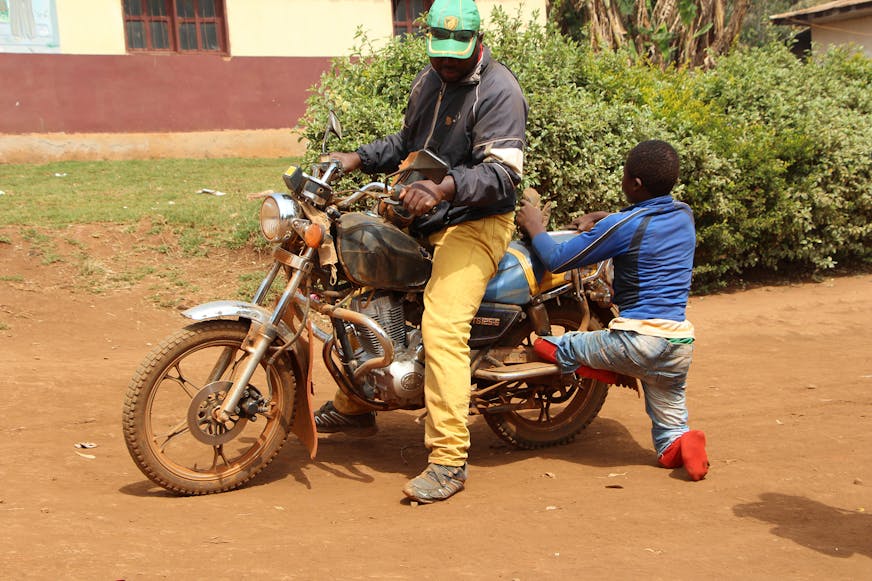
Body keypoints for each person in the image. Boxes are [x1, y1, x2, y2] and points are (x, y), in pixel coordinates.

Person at [315, 0, 529, 503]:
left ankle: (449, 459)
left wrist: (442, 188)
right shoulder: (428, 80)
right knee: (359, 290)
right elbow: (407, 144)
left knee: (442, 327)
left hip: (476, 222)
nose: (446, 63)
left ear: (478, 42)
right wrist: (354, 159)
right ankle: (355, 405)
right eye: (439, 54)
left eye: (456, 55)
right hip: (422, 214)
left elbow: (503, 176)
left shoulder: (500, 92)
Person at [515, 140, 709, 481]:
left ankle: (610, 369)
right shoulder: (683, 214)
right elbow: (640, 223)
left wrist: (535, 227)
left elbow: (559, 259)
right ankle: (684, 448)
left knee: (552, 347)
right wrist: (604, 218)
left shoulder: (625, 225)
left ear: (633, 183)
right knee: (670, 431)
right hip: (678, 346)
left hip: (637, 342)